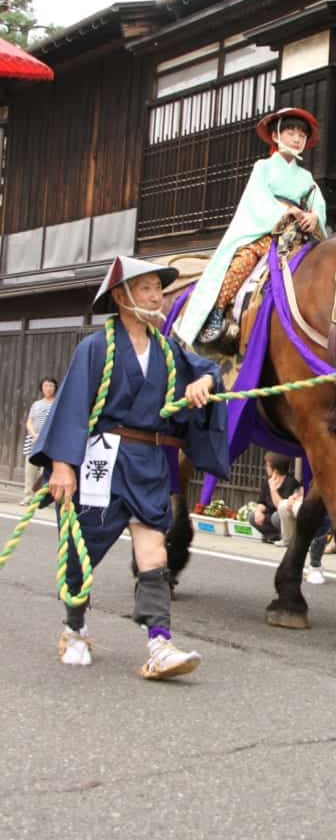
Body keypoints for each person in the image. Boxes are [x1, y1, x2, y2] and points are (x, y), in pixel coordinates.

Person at [30, 256, 229, 679]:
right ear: (122, 297)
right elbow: (70, 408)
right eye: (147, 289)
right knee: (84, 552)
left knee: (154, 548)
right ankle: (75, 628)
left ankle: (159, 643)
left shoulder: (168, 349)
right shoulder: (96, 348)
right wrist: (63, 466)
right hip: (103, 457)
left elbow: (210, 370)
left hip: (150, 461)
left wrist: (203, 384)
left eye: (159, 288)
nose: (157, 296)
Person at [176, 107, 327, 347]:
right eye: (290, 132)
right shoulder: (263, 167)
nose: (297, 138)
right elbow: (256, 199)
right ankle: (217, 312)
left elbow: (317, 205)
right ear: (276, 136)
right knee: (243, 261)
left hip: (297, 236)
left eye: (302, 134)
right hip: (266, 233)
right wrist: (283, 211)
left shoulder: (307, 178)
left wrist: (315, 218)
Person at [249, 451, 302, 545]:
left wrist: (273, 489)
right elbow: (262, 502)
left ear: (275, 468)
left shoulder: (290, 482)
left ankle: (285, 536)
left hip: (283, 517)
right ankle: (274, 536)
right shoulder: (267, 481)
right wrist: (258, 512)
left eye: (267, 465)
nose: (266, 467)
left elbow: (281, 506)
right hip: (270, 515)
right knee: (252, 516)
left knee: (276, 517)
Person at [21, 377, 58, 505]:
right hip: (33, 440)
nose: (48, 388)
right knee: (30, 469)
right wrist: (34, 434)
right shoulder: (36, 404)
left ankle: (40, 496)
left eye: (51, 386)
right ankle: (28, 496)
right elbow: (29, 421)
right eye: (46, 386)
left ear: (55, 388)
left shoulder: (57, 404)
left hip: (49, 441)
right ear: (41, 388)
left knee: (45, 471)